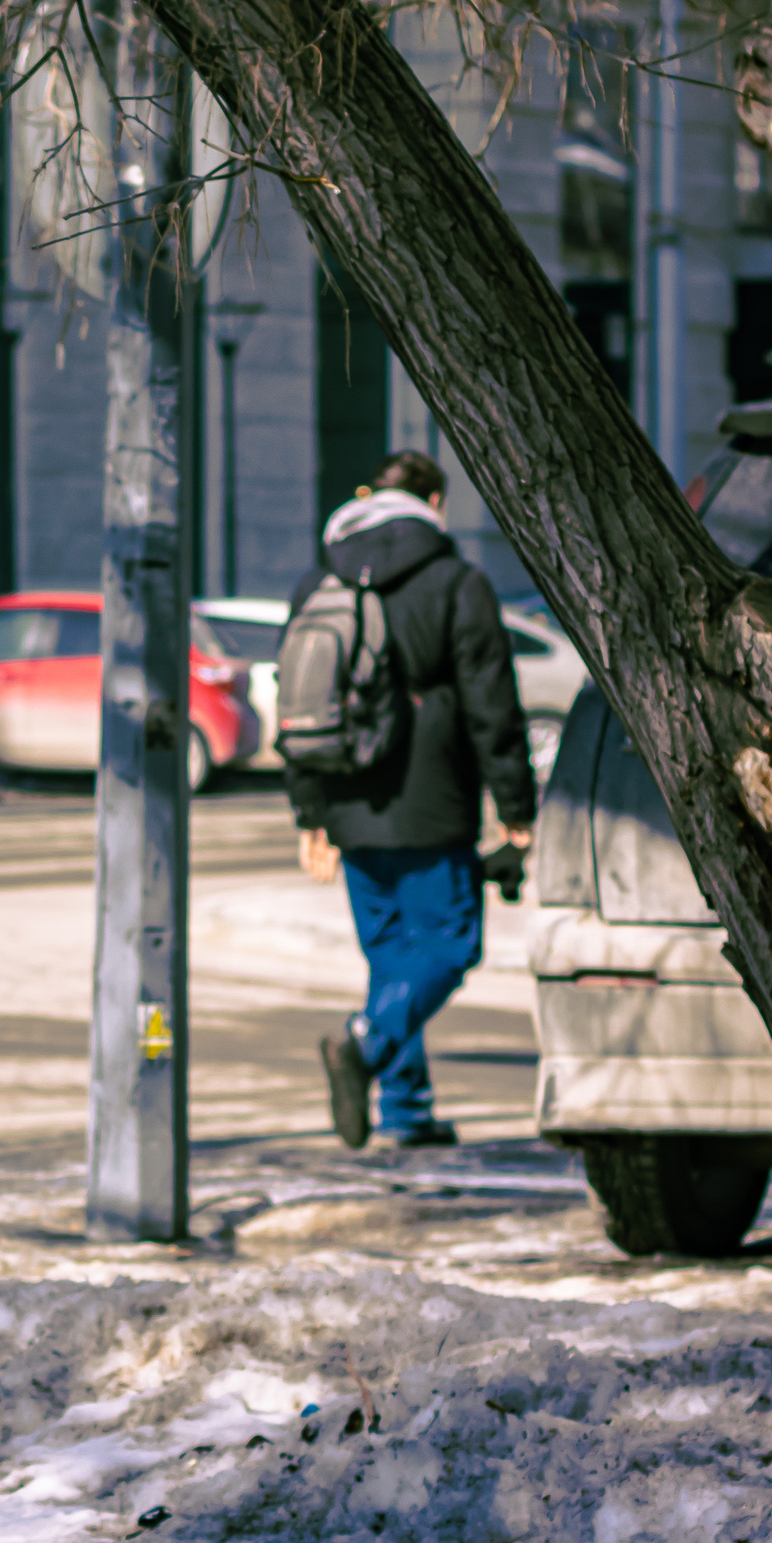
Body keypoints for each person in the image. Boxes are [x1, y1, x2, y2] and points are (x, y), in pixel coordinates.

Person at [288, 448, 536, 1150]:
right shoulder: (457, 581)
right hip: (433, 797)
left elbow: (297, 700)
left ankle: (405, 1107)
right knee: (452, 943)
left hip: (346, 794)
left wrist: (309, 811)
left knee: (393, 955)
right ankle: (364, 1045)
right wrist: (516, 807)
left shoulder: (321, 579)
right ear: (432, 504)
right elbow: (492, 704)